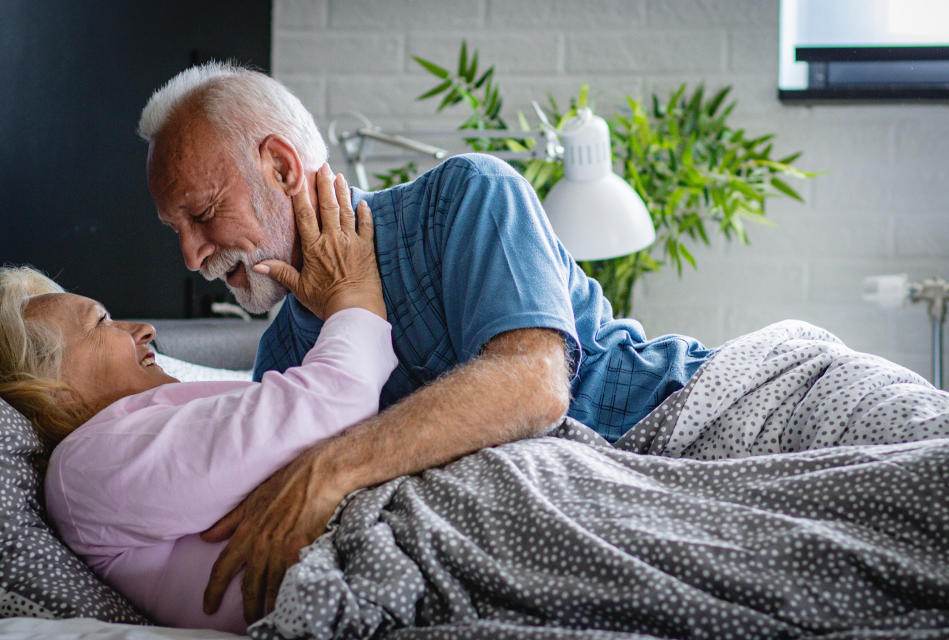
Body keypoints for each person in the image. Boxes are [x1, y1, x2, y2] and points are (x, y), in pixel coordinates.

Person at [138, 61, 714, 621]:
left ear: (283, 169)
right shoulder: (283, 359)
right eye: (175, 232)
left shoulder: (465, 195)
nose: (192, 256)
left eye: (205, 213)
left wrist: (333, 467)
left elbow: (534, 386)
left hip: (680, 408)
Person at [0, 171, 394, 633]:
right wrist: (355, 297)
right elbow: (328, 402)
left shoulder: (127, 441)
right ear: (52, 388)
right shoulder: (87, 465)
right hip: (380, 562)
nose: (143, 330)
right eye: (101, 322)